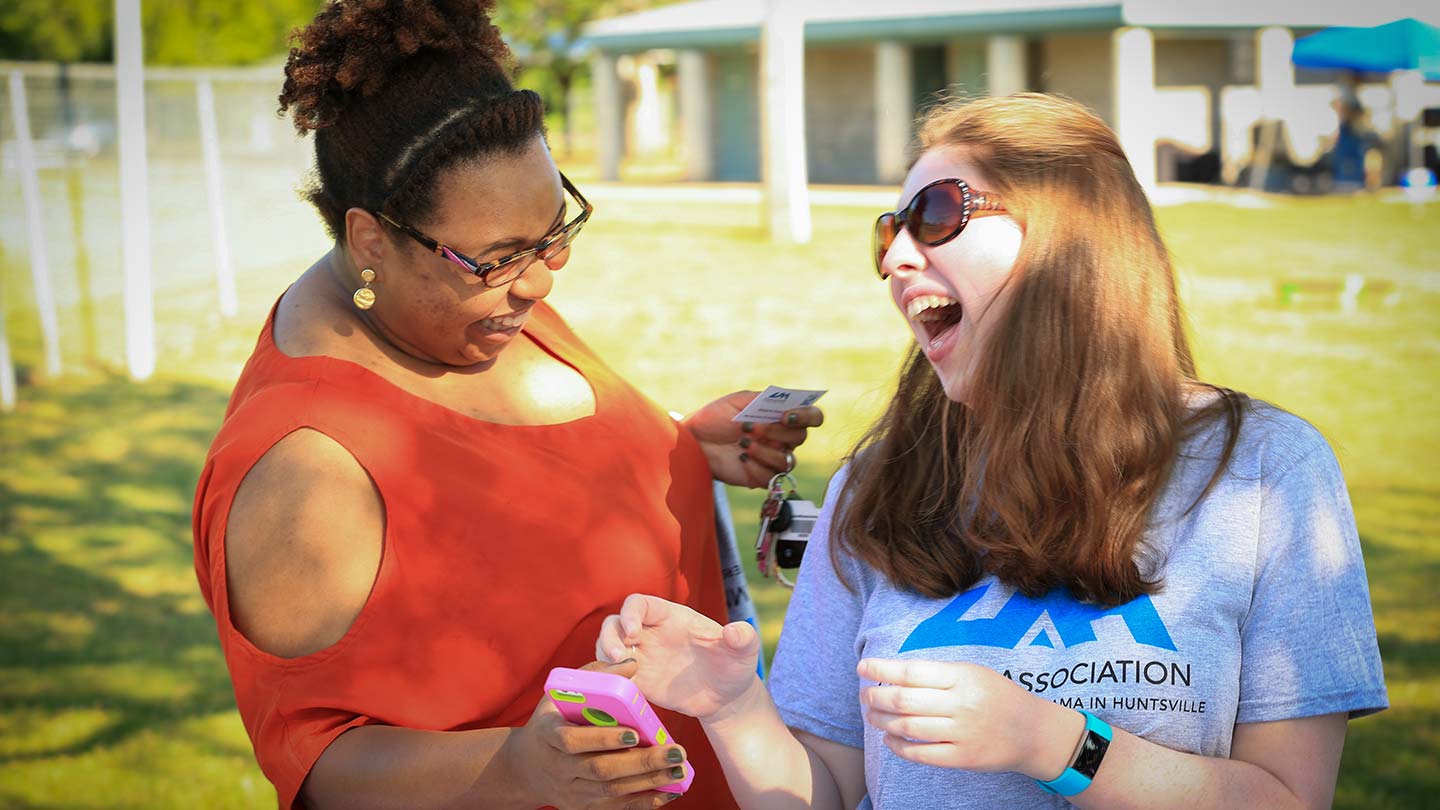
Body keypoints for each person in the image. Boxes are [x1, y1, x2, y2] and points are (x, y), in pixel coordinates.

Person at [595, 93, 1388, 809]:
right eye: (889, 232)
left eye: (938, 214)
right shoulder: (876, 486)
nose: (899, 259)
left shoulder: (1265, 470)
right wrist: (736, 709)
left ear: (1072, 238)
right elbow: (824, 792)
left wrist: (1054, 745)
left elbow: (1289, 798)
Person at [189, 2, 821, 808]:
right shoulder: (306, 467)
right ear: (371, 240)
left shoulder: (464, 310)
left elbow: (523, 496)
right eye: (500, 258)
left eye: (555, 233)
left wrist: (680, 447)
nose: (541, 280)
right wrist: (521, 770)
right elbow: (319, 768)